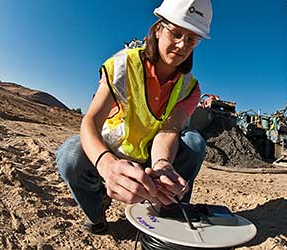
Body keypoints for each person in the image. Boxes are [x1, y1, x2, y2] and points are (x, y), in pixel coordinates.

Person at [56, 0, 213, 234]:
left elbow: (169, 130)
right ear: (158, 28)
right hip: (113, 149)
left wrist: (162, 165)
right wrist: (107, 166)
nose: (182, 45)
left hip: (151, 157)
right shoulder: (123, 64)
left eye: (191, 39)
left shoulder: (189, 88)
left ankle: (169, 207)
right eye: (176, 33)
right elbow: (90, 122)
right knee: (70, 155)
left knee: (194, 142)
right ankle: (96, 211)